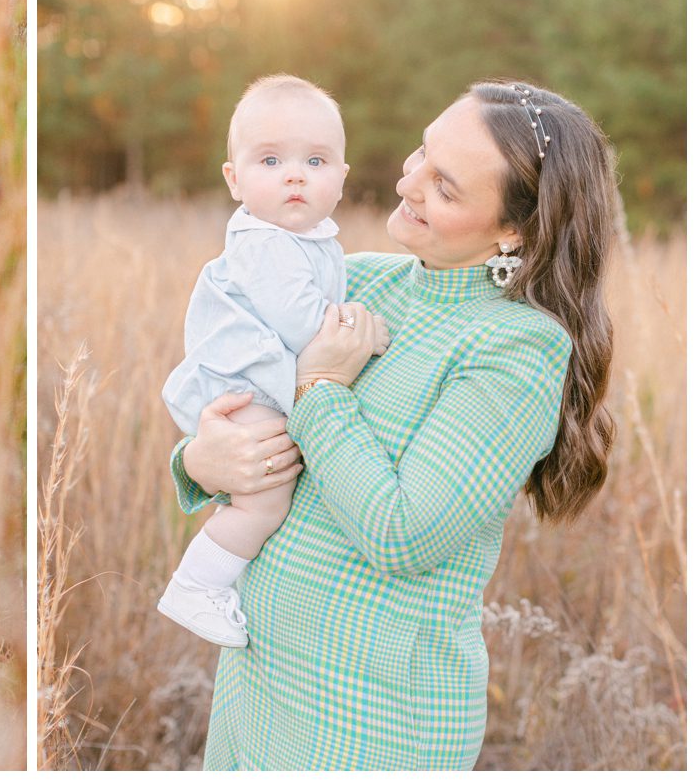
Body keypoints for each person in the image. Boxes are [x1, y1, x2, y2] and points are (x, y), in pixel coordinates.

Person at [166, 81, 618, 768]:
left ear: (513, 230)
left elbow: (403, 533)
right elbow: (241, 384)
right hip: (256, 686)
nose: (407, 181)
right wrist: (199, 460)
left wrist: (320, 387)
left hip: (369, 718)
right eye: (421, 153)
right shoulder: (361, 281)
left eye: (445, 185)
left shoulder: (517, 349)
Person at [155, 74, 350, 646]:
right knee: (262, 502)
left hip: (260, 384)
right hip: (246, 391)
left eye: (316, 161)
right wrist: (361, 331)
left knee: (267, 493)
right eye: (270, 160)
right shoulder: (264, 243)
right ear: (234, 180)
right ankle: (196, 585)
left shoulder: (315, 242)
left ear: (343, 176)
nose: (295, 174)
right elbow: (302, 321)